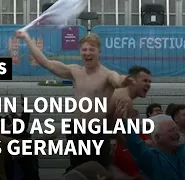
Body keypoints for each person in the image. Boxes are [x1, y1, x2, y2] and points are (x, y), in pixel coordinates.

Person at [15, 31, 131, 171]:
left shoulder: (107, 75)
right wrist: (27, 38)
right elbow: (45, 63)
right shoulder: (75, 72)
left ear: (99, 52)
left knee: (98, 171)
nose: (87, 53)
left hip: (96, 132)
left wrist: (126, 80)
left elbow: (118, 81)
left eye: (91, 49)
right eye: (84, 49)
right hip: (76, 129)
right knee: (77, 170)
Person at [107, 66, 152, 180]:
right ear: (132, 81)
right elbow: (121, 134)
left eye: (150, 81)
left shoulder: (118, 93)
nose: (148, 84)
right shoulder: (125, 100)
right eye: (145, 81)